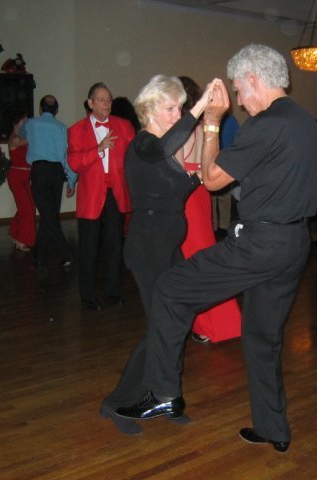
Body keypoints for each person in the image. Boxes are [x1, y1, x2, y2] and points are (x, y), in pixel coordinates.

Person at [116, 44, 317, 454]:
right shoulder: (304, 122)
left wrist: (212, 122)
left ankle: (163, 393)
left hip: (259, 243)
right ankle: (273, 428)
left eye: (239, 89)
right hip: (295, 243)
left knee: (170, 290)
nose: (239, 100)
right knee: (262, 338)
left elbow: (212, 180)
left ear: (254, 80)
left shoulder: (266, 124)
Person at [99, 74, 218, 435]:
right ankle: (117, 403)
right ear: (149, 109)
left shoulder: (162, 151)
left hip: (167, 247)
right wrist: (201, 107)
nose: (177, 114)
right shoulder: (144, 144)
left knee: (178, 320)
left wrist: (205, 177)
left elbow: (178, 190)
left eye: (180, 108)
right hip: (147, 248)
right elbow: (168, 145)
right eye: (171, 108)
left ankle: (166, 395)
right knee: (160, 328)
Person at [176, 76, 242, 344]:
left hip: (185, 196)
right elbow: (210, 165)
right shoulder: (205, 127)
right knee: (203, 256)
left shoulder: (179, 129)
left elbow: (177, 171)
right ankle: (220, 322)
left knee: (191, 260)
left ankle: (206, 325)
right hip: (201, 194)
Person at [67, 83, 135, 311]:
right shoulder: (77, 130)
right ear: (91, 103)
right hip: (91, 197)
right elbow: (73, 163)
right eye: (102, 99)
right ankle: (87, 296)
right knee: (89, 248)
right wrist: (97, 149)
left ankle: (113, 291)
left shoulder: (124, 126)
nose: (107, 103)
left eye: (109, 99)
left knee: (115, 245)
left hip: (116, 193)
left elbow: (134, 157)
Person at [20, 95, 76, 268]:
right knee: (49, 214)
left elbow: (20, 135)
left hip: (39, 171)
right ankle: (39, 255)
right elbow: (66, 156)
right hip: (57, 173)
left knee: (48, 214)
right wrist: (71, 180)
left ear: (40, 109)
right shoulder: (62, 128)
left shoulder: (30, 124)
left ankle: (66, 254)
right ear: (56, 110)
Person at [6, 107, 35, 252]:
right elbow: (30, 140)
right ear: (16, 122)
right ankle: (22, 240)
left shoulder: (21, 136)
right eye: (24, 120)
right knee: (27, 210)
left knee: (28, 207)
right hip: (16, 177)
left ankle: (14, 232)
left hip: (25, 177)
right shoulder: (15, 138)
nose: (26, 122)